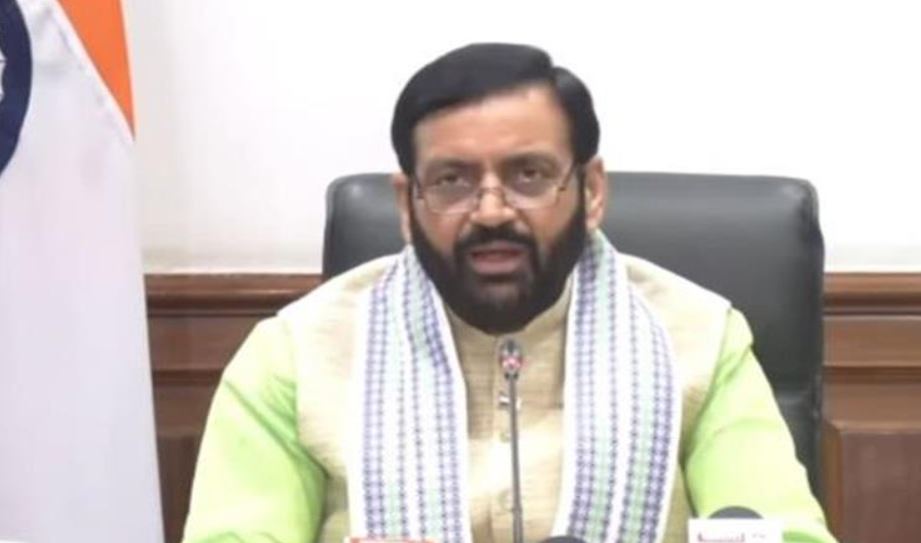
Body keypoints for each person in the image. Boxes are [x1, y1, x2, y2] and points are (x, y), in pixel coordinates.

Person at [182, 43, 836, 543]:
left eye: (528, 175)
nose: (491, 210)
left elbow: (779, 531)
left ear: (591, 191)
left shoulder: (697, 337)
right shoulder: (295, 355)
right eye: (452, 180)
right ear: (406, 204)